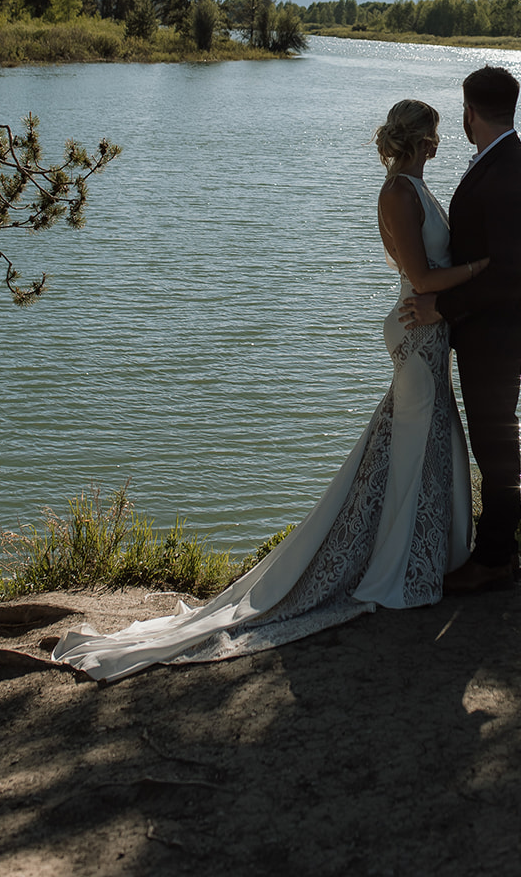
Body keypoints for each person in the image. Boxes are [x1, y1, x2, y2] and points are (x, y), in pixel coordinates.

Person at [51, 99, 485, 683]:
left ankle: (419, 562)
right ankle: (395, 572)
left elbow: (432, 276)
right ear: (419, 139)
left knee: (419, 448)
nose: (441, 142)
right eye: (435, 133)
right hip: (414, 339)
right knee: (413, 449)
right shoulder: (398, 195)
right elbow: (424, 278)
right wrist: (480, 270)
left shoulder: (417, 188)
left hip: (428, 335)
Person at [400, 66, 521, 594]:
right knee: (493, 438)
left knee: (495, 441)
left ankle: (495, 559)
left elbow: (506, 271)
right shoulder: (503, 162)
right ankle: (496, 553)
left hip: (496, 331)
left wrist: (443, 306)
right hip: (491, 327)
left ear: (469, 112)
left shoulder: (509, 172)